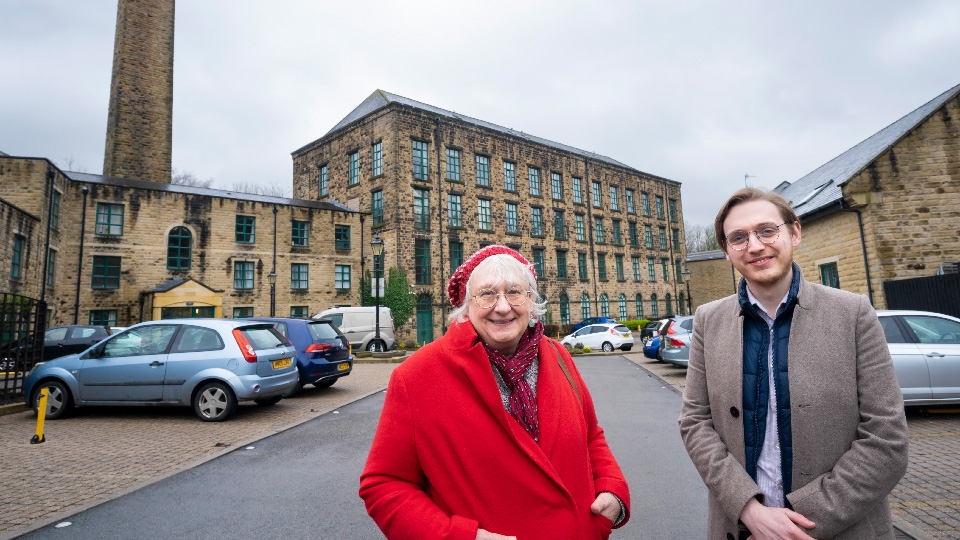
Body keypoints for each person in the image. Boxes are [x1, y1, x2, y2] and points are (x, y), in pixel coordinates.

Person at [679, 188, 909, 540]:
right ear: (727, 251)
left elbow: (886, 438)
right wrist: (750, 510)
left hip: (838, 529)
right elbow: (695, 422)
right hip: (741, 529)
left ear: (794, 233)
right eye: (738, 238)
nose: (755, 246)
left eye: (767, 230)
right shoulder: (708, 320)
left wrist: (795, 521)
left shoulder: (853, 313)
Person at [360, 245, 630, 540]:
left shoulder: (558, 356)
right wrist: (462, 537)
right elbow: (384, 484)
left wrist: (613, 491)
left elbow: (591, 434)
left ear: (531, 302)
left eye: (515, 292)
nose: (502, 307)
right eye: (487, 294)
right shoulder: (417, 376)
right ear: (467, 306)